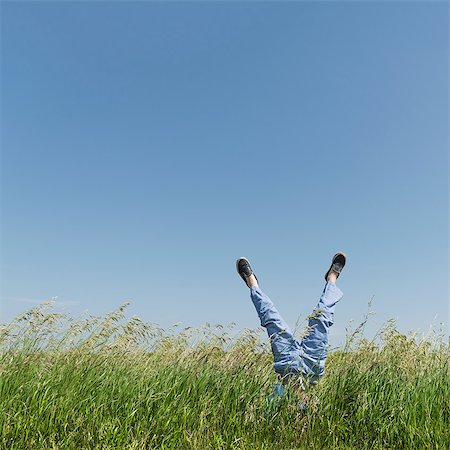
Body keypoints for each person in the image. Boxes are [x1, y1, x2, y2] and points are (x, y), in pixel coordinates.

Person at [236, 252, 346, 411]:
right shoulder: (313, 414)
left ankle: (252, 282)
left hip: (286, 361)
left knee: (272, 319)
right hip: (312, 364)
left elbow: (265, 414)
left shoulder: (274, 407)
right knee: (322, 317)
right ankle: (332, 278)